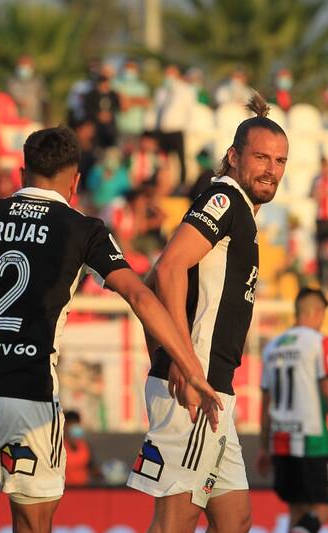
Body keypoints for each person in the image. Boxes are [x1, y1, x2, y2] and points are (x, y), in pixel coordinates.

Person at [0, 126, 221, 533]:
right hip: (26, 393)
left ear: (21, 172)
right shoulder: (82, 229)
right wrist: (190, 368)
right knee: (34, 524)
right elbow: (139, 297)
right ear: (75, 181)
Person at [127, 94, 288, 533]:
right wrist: (181, 359)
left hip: (213, 387)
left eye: (279, 160)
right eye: (260, 157)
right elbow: (169, 268)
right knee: (176, 520)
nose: (271, 169)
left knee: (235, 520)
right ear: (234, 157)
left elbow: (148, 287)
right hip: (196, 385)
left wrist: (164, 353)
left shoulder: (243, 215)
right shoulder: (225, 198)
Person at [256, 288, 328, 533]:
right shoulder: (320, 342)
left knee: (296, 510)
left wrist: (264, 446)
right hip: (312, 439)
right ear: (316, 313)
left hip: (280, 440)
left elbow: (265, 403)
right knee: (322, 509)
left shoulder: (272, 347)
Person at [7, 55, 47, 124]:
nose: (23, 68)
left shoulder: (38, 82)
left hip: (35, 121)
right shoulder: (11, 82)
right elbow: (6, 100)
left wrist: (47, 121)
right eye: (21, 65)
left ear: (32, 67)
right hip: (15, 123)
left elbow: (44, 102)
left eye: (26, 65)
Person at [64, 410, 96, 487]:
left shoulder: (85, 446)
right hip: (65, 490)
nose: (74, 426)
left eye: (76, 423)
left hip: (83, 490)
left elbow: (92, 467)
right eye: (71, 423)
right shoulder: (58, 447)